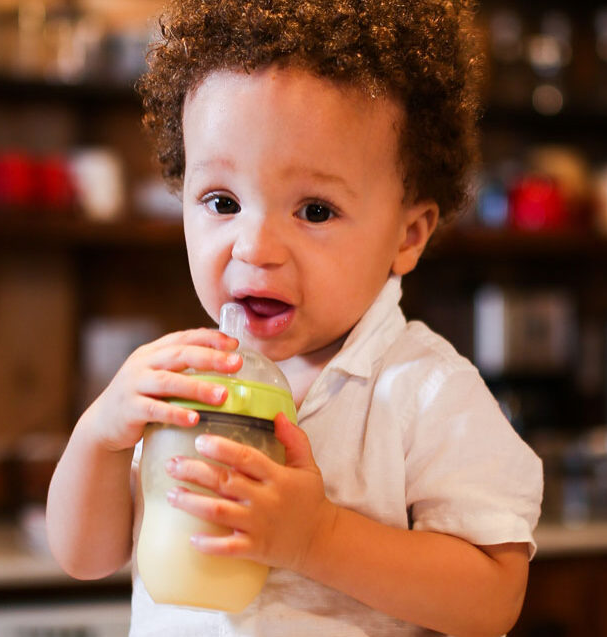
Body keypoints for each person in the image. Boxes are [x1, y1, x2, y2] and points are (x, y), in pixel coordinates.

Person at [46, 1, 543, 635]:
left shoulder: (423, 391)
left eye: (314, 211)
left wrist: (318, 538)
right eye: (222, 201)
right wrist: (101, 434)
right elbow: (84, 557)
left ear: (407, 235)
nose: (255, 247)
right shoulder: (185, 379)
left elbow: (493, 599)